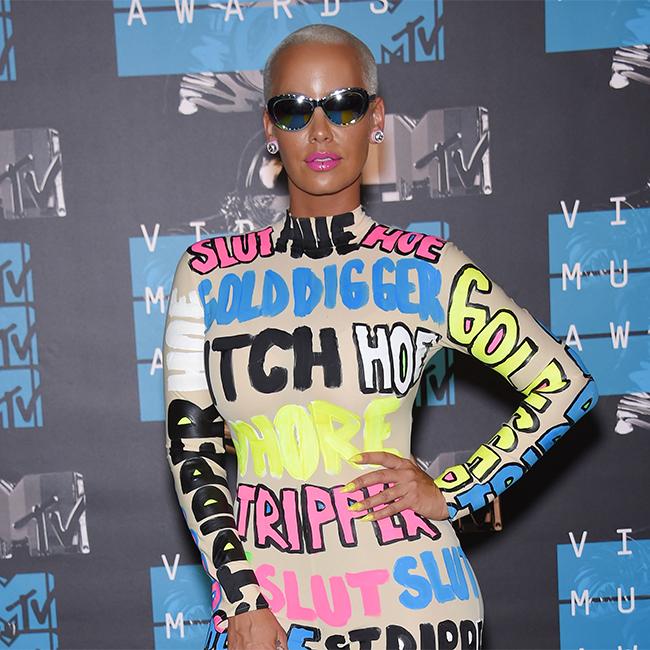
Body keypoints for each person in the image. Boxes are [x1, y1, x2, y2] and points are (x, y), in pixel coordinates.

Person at [162, 24, 599, 650]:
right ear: (269, 127)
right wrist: (241, 596)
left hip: (414, 607)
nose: (319, 131)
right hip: (268, 609)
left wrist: (454, 489)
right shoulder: (206, 274)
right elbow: (192, 451)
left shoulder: (428, 270)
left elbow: (565, 387)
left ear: (376, 120)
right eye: (294, 110)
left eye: (342, 106)